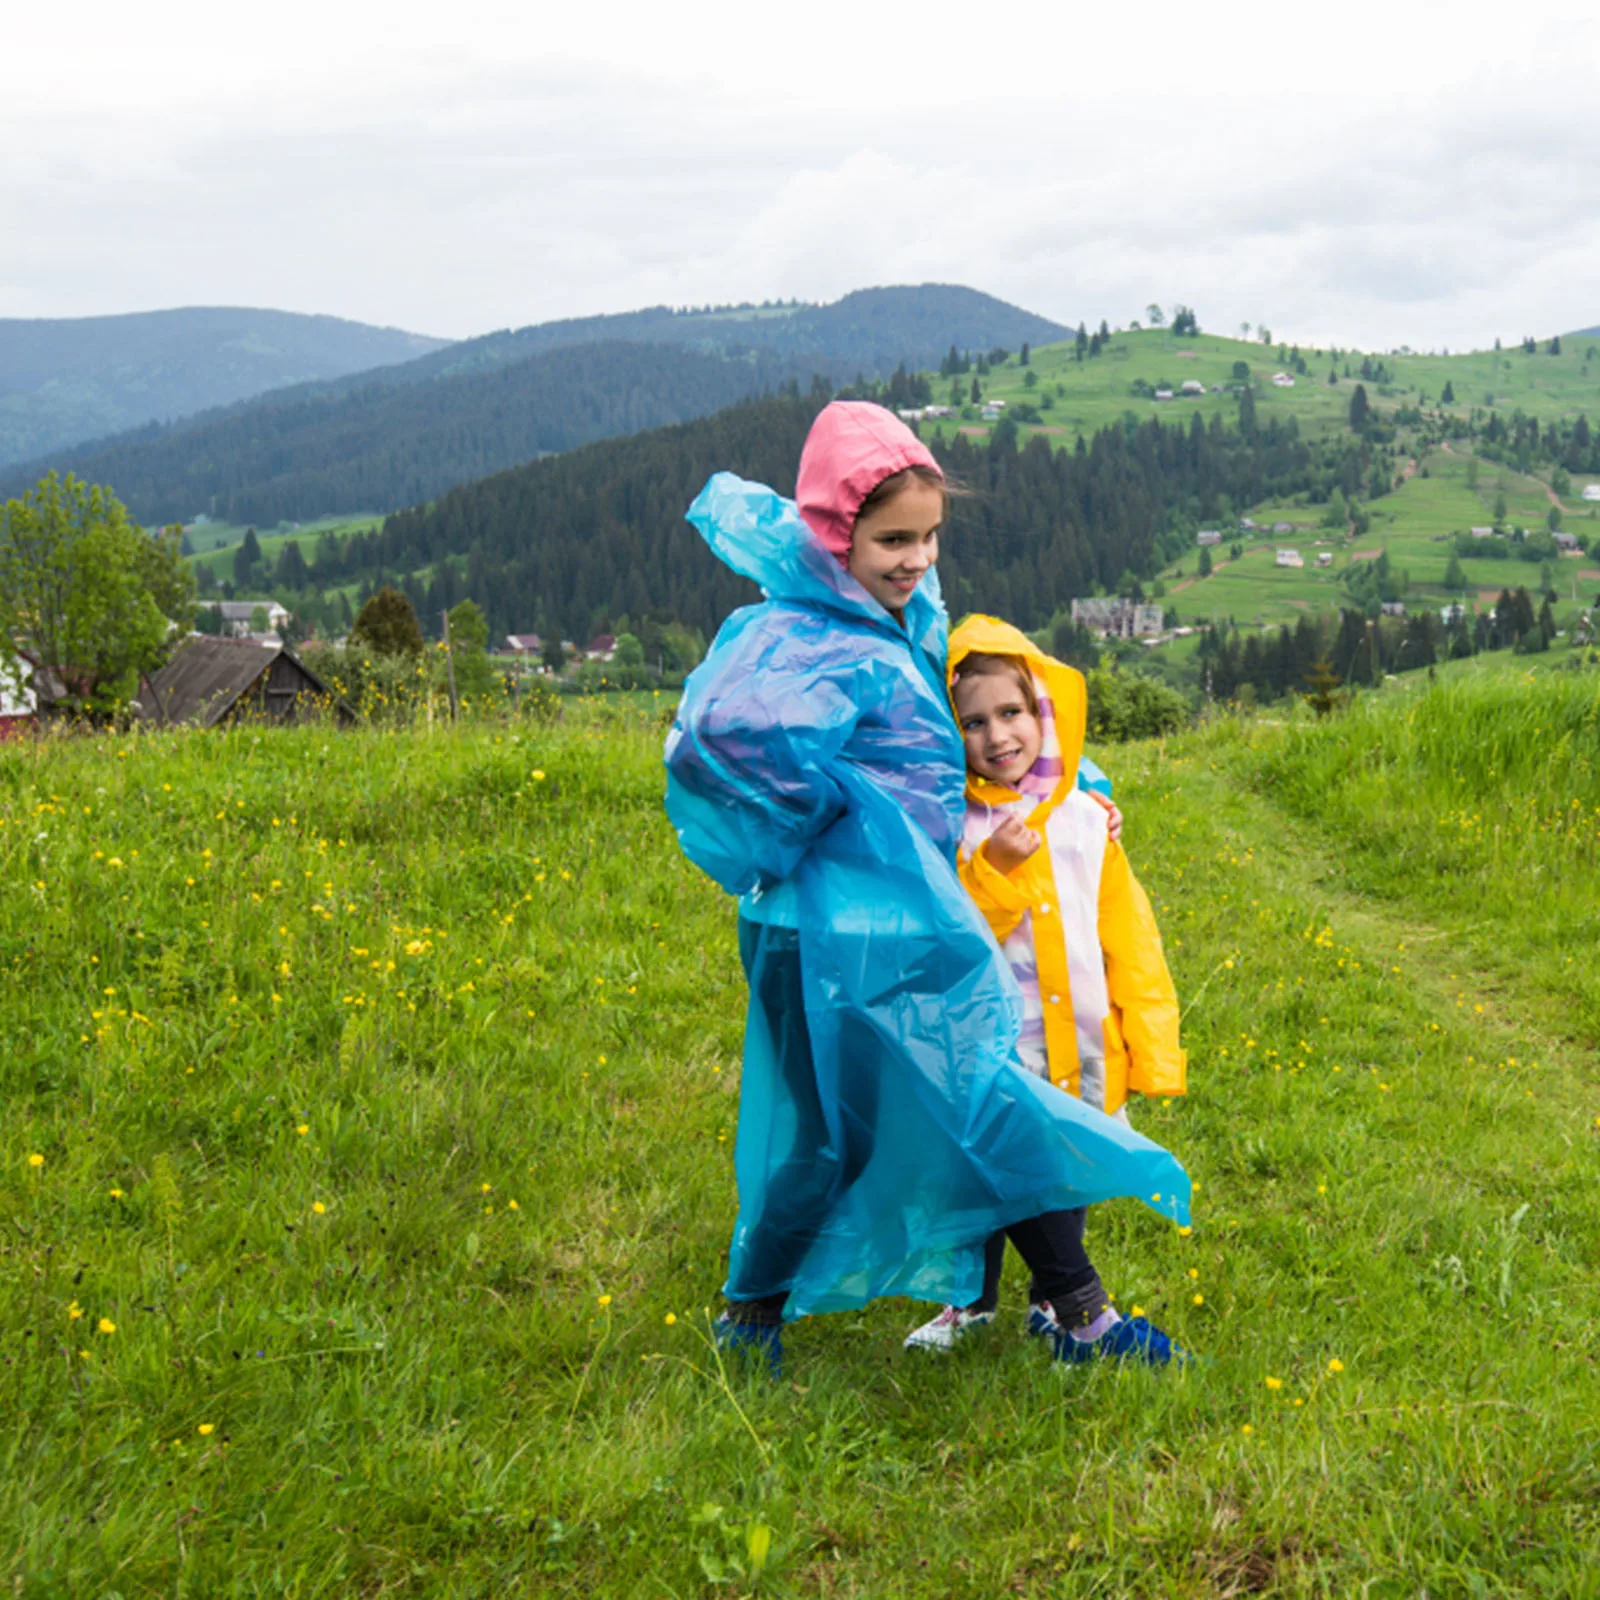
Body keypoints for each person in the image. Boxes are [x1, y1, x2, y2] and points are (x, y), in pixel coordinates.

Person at [663, 402, 1191, 1374]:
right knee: (826, 1139)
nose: (914, 556)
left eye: (928, 534)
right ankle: (749, 1317)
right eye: (891, 537)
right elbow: (712, 752)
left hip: (907, 925)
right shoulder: (806, 636)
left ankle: (1075, 1313)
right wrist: (817, 833)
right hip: (818, 938)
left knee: (974, 1094)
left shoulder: (904, 618)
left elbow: (962, 748)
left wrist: (1083, 794)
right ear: (835, 531)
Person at [904, 615, 1188, 1361]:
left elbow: (1131, 941)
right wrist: (992, 869)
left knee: (1066, 1169)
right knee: (988, 1166)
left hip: (1083, 1036)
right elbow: (948, 935)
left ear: (1044, 714)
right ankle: (974, 1301)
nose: (998, 736)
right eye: (973, 722)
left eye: (1012, 713)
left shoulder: (1087, 819)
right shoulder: (950, 826)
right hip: (992, 1043)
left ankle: (1048, 1310)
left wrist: (1150, 1046)